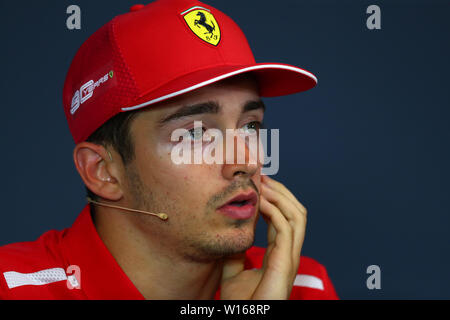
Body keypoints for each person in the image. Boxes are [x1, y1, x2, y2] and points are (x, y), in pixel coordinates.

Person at [0, 0, 338, 300]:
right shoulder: (12, 287)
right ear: (102, 171)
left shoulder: (300, 284)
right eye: (195, 133)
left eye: (250, 126)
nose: (246, 162)